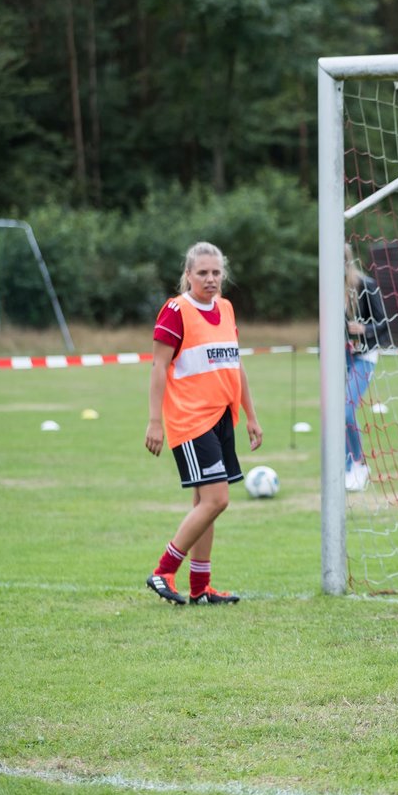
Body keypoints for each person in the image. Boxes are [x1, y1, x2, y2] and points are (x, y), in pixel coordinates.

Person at [143, 242, 262, 605]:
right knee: (216, 499)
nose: (210, 279)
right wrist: (154, 422)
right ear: (188, 275)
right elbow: (159, 367)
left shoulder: (225, 308)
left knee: (203, 502)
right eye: (202, 273)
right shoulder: (176, 310)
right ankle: (163, 570)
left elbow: (235, 365)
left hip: (222, 419)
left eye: (216, 272)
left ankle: (200, 588)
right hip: (190, 420)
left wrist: (251, 416)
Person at [344, 245, 391, 492]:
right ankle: (344, 467)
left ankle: (359, 463)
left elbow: (383, 322)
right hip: (338, 358)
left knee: (346, 411)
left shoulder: (366, 285)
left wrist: (365, 330)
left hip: (364, 356)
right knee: (334, 416)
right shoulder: (328, 288)